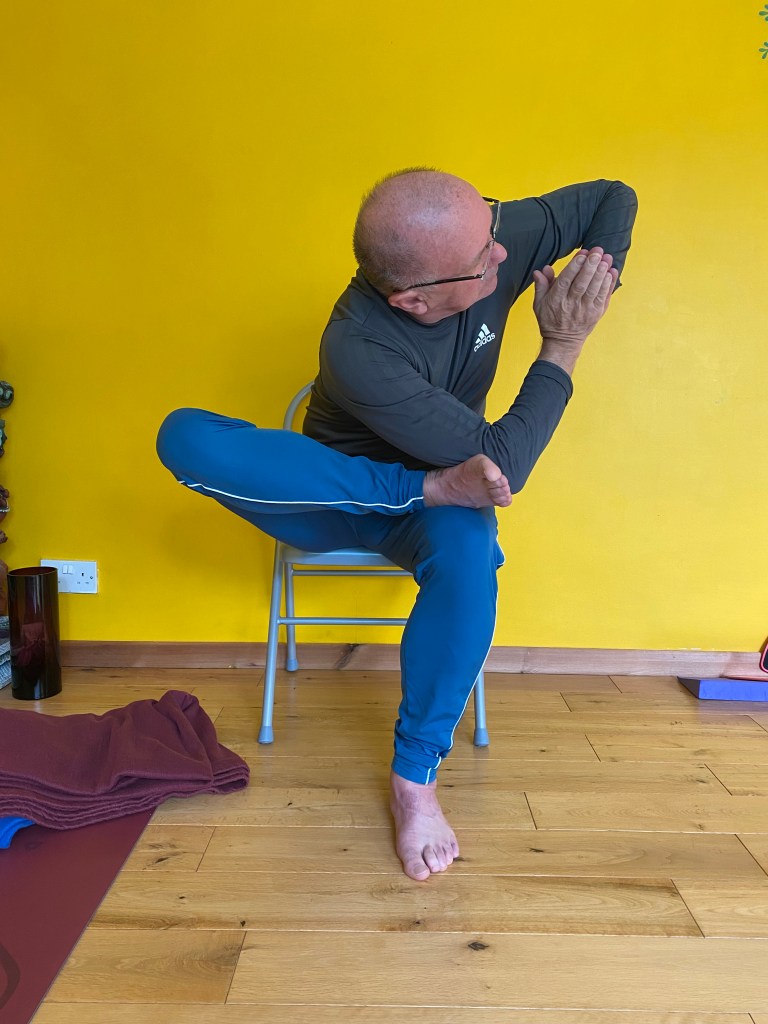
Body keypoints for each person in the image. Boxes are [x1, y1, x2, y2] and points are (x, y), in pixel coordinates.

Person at [157, 168, 637, 881]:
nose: (507, 258)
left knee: (470, 552)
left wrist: (596, 280)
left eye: (494, 233)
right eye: (486, 261)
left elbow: (611, 199)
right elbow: (504, 455)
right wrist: (561, 347)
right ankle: (419, 488)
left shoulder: (489, 240)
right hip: (334, 497)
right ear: (414, 299)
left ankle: (415, 779)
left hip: (439, 509)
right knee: (183, 434)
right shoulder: (358, 347)